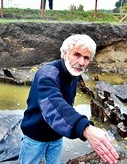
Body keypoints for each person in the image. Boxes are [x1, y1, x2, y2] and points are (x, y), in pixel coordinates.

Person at [19, 34, 119, 164]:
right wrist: (85, 128)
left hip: (56, 134)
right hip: (35, 135)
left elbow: (67, 104)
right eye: (76, 55)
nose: (81, 62)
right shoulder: (47, 74)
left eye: (86, 58)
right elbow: (53, 104)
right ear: (65, 53)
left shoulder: (73, 73)